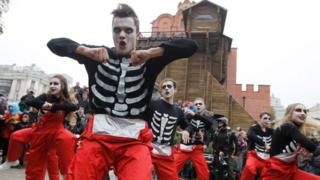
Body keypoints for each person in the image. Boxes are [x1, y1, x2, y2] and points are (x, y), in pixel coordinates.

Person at [47, 3, 198, 180]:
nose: (122, 36)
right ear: (112, 33)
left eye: (128, 30)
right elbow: (54, 44)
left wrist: (153, 52)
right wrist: (85, 50)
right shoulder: (98, 54)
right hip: (97, 138)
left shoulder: (148, 59)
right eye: (117, 30)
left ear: (138, 34)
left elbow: (191, 46)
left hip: (134, 142)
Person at [0, 74, 78, 180]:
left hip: (55, 132)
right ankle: (12, 160)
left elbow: (73, 107)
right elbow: (30, 101)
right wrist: (43, 105)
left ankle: (66, 173)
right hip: (39, 132)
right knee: (16, 136)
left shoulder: (66, 101)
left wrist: (53, 107)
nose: (52, 85)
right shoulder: (45, 96)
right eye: (51, 83)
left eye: (55, 83)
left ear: (62, 86)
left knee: (67, 140)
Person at [261, 103, 320, 180]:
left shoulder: (295, 131)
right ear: (289, 113)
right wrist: (313, 150)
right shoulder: (287, 126)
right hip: (276, 172)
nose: (303, 113)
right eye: (298, 110)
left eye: (305, 111)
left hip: (291, 171)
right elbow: (312, 147)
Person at [148, 78, 191, 180]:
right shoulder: (153, 104)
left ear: (175, 90)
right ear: (161, 91)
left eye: (169, 86)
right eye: (164, 87)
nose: (166, 88)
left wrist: (187, 130)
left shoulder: (178, 111)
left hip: (166, 152)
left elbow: (188, 125)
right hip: (149, 148)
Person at [174, 98, 214, 180]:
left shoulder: (208, 118)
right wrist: (187, 131)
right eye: (196, 104)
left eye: (200, 104)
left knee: (204, 173)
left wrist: (206, 143)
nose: (198, 105)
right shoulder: (188, 116)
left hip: (197, 149)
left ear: (204, 106)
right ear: (194, 106)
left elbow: (211, 125)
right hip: (185, 148)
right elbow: (186, 125)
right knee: (172, 168)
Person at [240, 112, 273, 180]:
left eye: (269, 119)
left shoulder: (271, 131)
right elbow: (250, 135)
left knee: (269, 175)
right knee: (249, 168)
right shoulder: (254, 128)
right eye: (265, 118)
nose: (267, 120)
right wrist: (264, 144)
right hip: (254, 155)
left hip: (267, 158)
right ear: (260, 119)